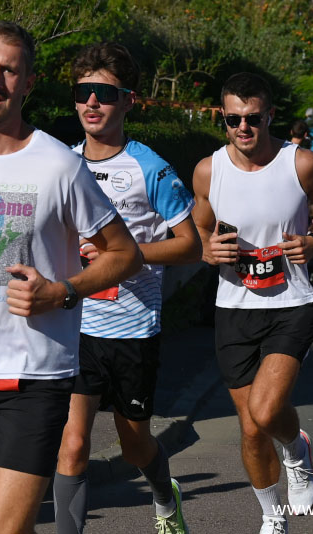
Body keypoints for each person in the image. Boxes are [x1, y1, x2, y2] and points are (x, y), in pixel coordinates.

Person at [0, 22, 143, 534]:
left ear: (28, 83)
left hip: (35, 377)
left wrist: (61, 292)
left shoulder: (59, 166)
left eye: (9, 70)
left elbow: (125, 254)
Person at [52, 43, 200, 534]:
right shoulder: (62, 163)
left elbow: (190, 246)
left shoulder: (149, 168)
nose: (92, 102)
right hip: (77, 325)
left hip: (132, 330)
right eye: (83, 92)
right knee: (73, 443)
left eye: (105, 93)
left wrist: (126, 255)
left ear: (129, 101)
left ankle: (164, 495)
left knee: (135, 445)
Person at [192, 72, 313, 534]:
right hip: (233, 308)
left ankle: (296, 450)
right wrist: (207, 249)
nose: (243, 127)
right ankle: (271, 515)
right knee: (250, 428)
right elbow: (199, 225)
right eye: (233, 119)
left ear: (270, 116)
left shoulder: (299, 163)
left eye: (253, 118)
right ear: (223, 117)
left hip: (291, 304)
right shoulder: (209, 170)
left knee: (265, 410)